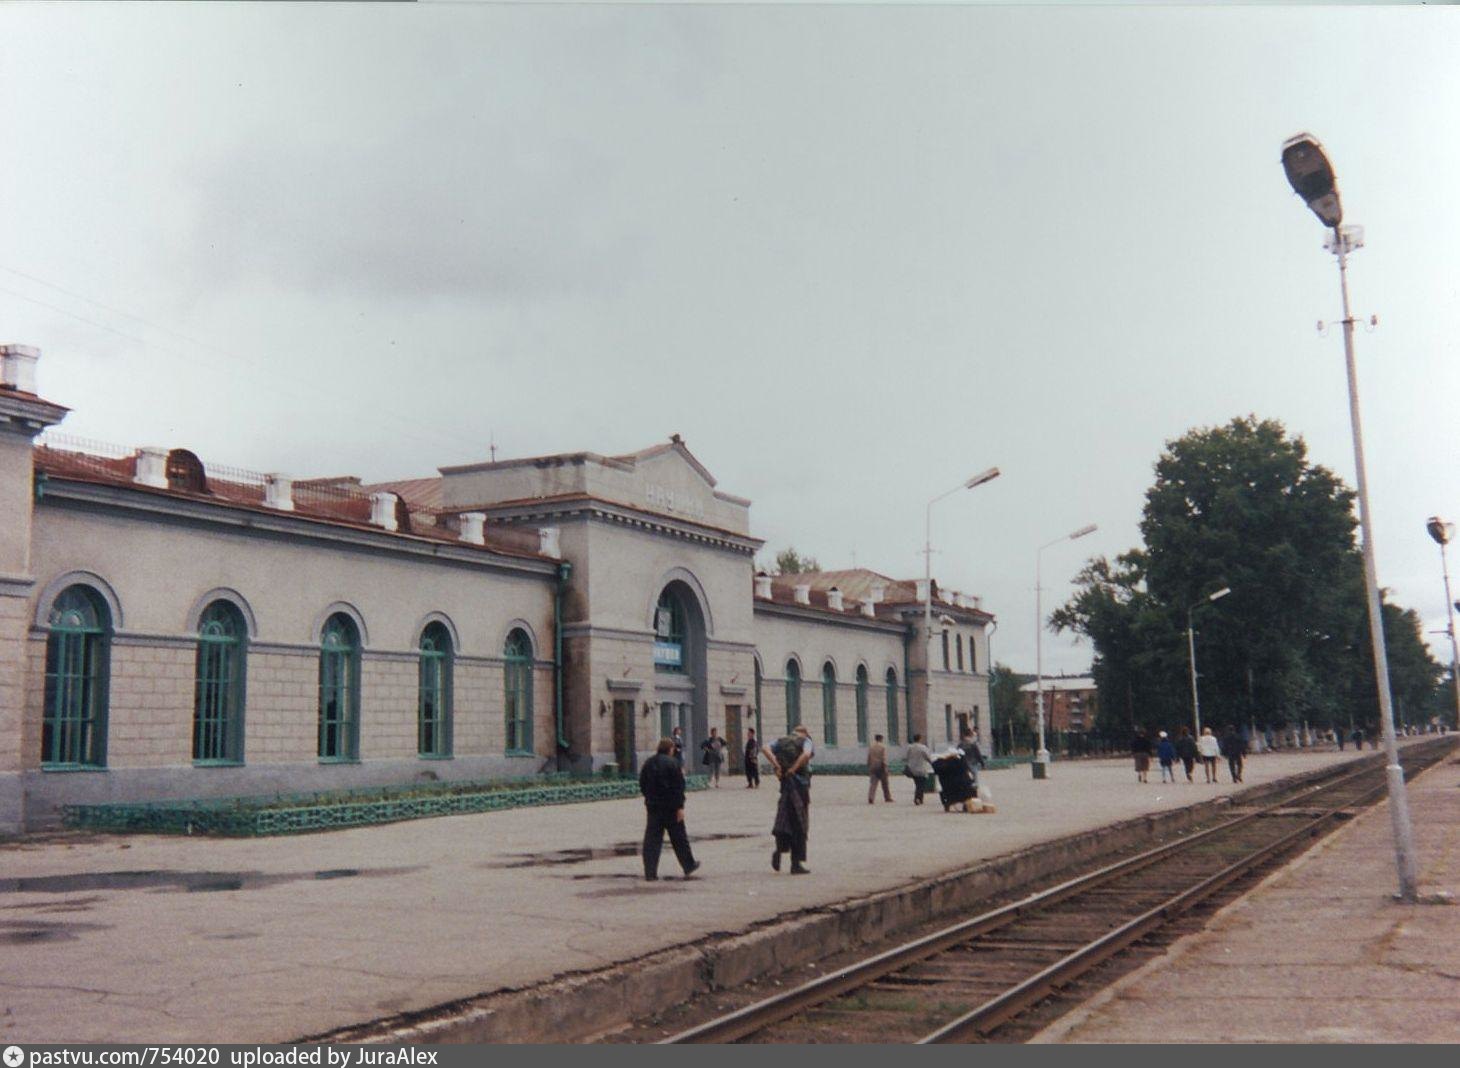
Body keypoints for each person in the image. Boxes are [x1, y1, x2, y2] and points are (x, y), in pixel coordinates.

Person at [637, 737, 700, 881]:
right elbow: (679, 787)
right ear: (670, 749)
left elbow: (642, 783)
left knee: (652, 840)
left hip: (653, 807)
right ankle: (688, 865)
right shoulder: (673, 763)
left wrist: (649, 798)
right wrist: (680, 807)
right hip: (671, 807)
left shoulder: (649, 763)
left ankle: (650, 872)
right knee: (679, 838)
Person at [763, 724, 814, 874]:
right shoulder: (806, 741)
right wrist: (794, 768)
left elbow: (765, 748)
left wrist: (777, 765)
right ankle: (796, 863)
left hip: (785, 787)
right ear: (804, 733)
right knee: (800, 823)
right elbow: (806, 755)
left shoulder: (781, 741)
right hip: (800, 787)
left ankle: (778, 851)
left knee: (784, 822)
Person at [932, 747, 978, 813]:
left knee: (944, 791)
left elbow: (935, 768)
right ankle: (966, 805)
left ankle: (947, 804)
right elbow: (967, 770)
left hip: (948, 788)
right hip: (964, 786)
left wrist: (942, 758)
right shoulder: (960, 762)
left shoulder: (941, 763)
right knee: (970, 788)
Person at [903, 733, 935, 806]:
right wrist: (932, 763)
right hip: (921, 768)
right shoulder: (923, 747)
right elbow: (927, 757)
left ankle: (919, 798)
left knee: (917, 784)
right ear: (920, 739)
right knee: (921, 785)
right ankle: (918, 798)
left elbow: (906, 757)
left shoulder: (910, 747)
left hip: (912, 769)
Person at [866, 733, 893, 803]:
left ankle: (871, 797)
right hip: (881, 766)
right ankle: (887, 797)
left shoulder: (871, 747)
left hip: (873, 766)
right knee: (885, 784)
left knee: (873, 783)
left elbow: (869, 757)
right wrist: (886, 767)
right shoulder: (883, 747)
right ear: (881, 739)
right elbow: (884, 758)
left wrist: (869, 765)